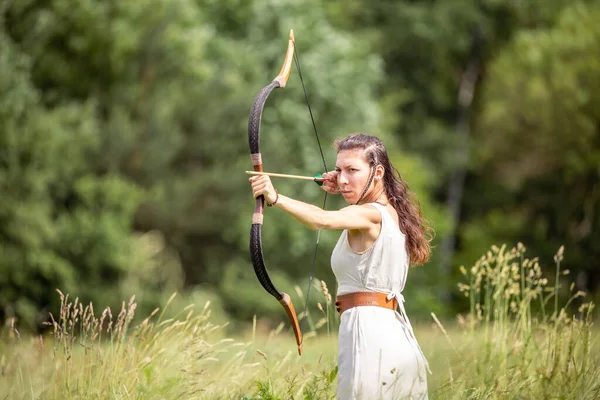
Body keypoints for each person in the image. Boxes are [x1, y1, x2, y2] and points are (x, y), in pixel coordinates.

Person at [249, 133, 432, 399]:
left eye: (353, 170)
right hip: (388, 333)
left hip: (368, 334)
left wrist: (275, 196)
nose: (343, 178)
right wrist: (347, 183)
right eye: (339, 170)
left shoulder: (372, 214)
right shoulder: (384, 211)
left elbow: (322, 219)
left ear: (378, 172)